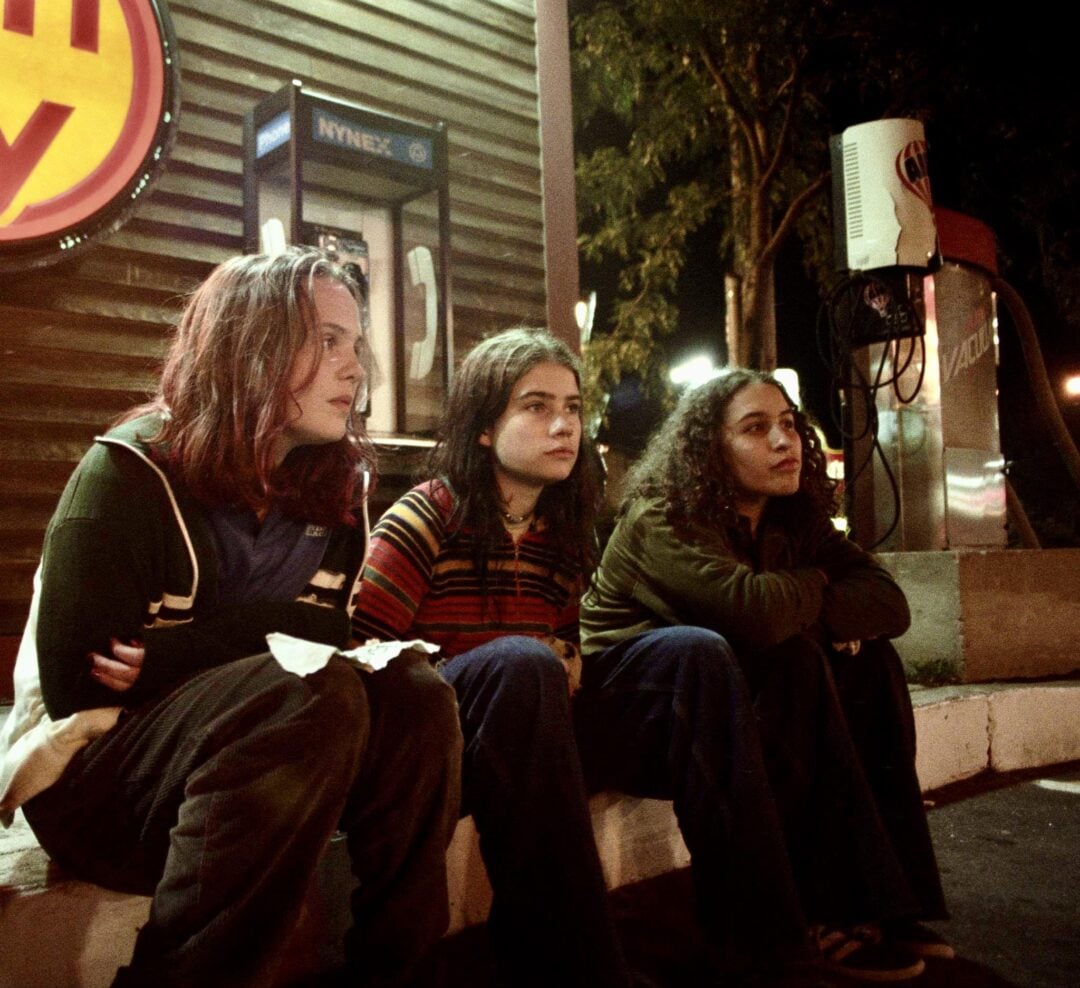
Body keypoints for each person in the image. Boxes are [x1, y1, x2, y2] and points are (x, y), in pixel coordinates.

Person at [0, 248, 463, 988]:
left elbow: (328, 636)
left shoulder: (334, 488)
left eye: (356, 343)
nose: (356, 368)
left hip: (273, 778)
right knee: (309, 693)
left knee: (418, 693)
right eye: (327, 340)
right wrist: (278, 640)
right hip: (100, 794)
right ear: (251, 345)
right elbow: (79, 695)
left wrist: (188, 650)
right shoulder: (126, 475)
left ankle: (398, 967)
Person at [579, 368, 952, 984]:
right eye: (756, 428)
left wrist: (801, 600)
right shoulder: (662, 518)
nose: (785, 442)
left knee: (870, 662)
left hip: (728, 705)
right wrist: (816, 589)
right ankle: (787, 925)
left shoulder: (789, 520)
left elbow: (890, 603)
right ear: (709, 448)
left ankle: (887, 902)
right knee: (787, 656)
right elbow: (759, 615)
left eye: (788, 424)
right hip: (639, 716)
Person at [351, 327, 631, 988]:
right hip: (429, 749)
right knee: (521, 666)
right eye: (536, 406)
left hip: (529, 739)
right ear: (483, 428)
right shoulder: (425, 517)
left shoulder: (559, 535)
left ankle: (774, 945)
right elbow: (367, 661)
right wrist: (529, 659)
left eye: (572, 407)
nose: (563, 425)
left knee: (691, 656)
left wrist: (565, 658)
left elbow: (567, 651)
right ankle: (582, 969)